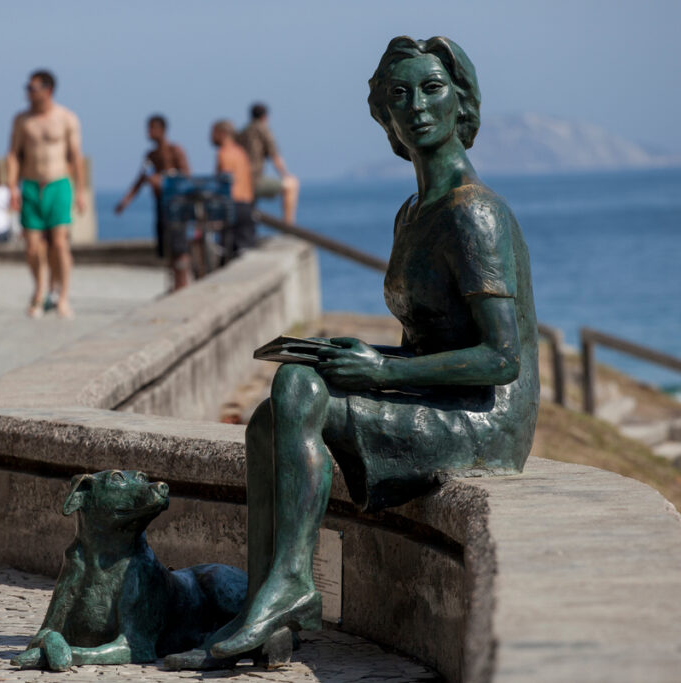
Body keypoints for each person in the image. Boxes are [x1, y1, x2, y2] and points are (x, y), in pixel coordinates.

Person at [171, 36, 539, 666]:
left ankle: (289, 586)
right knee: (271, 418)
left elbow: (501, 360)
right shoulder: (413, 212)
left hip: (484, 417)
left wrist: (380, 369)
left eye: (432, 89)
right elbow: (420, 344)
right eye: (399, 95)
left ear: (462, 103)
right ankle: (267, 614)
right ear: (385, 119)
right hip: (442, 395)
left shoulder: (473, 215)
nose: (416, 106)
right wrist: (361, 357)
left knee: (294, 393)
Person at [6, 69, 86, 319]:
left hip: (58, 182)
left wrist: (80, 191)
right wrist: (11, 187)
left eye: (33, 88)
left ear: (48, 90)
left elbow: (75, 156)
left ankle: (62, 296)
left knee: (60, 243)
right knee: (32, 246)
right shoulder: (22, 120)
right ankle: (39, 290)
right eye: (27, 88)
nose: (28, 93)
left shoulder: (66, 118)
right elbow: (14, 154)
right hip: (30, 184)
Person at [114, 115, 192, 290]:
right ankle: (174, 285)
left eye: (152, 128)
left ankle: (183, 285)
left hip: (176, 205)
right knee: (167, 247)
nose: (148, 132)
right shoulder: (151, 155)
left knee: (179, 246)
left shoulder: (175, 150)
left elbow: (186, 177)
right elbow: (140, 180)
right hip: (160, 205)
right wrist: (125, 202)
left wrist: (164, 180)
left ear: (162, 130)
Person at [238, 103, 300, 224]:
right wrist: (285, 174)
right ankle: (289, 224)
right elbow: (274, 155)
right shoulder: (263, 129)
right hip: (254, 180)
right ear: (265, 117)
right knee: (292, 185)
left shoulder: (243, 132)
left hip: (241, 181)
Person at [211, 120, 255, 258]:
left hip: (231, 206)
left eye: (213, 133)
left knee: (226, 253)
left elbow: (225, 182)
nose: (211, 137)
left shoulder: (223, 153)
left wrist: (216, 212)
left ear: (222, 134)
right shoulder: (241, 152)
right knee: (245, 251)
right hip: (246, 205)